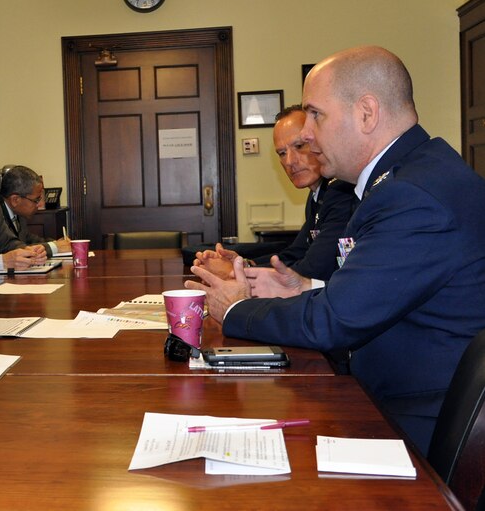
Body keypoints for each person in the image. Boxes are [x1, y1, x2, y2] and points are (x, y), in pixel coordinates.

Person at [185, 46, 485, 456]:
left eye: (316, 115)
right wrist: (302, 289)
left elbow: (337, 321)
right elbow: (373, 295)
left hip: (415, 418)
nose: (306, 133)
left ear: (366, 112)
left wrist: (236, 309)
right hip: (393, 391)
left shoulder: (411, 195)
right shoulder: (409, 174)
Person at [195, 105, 354, 281]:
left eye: (300, 146)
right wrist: (244, 265)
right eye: (282, 153)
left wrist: (236, 274)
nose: (290, 161)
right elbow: (295, 253)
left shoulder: (341, 192)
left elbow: (313, 268)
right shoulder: (317, 194)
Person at [0, 165, 70, 258]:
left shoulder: (19, 212)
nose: (40, 205)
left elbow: (28, 238)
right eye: (36, 200)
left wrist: (55, 243)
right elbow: (13, 250)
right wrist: (54, 247)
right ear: (15, 200)